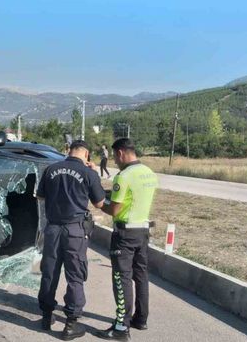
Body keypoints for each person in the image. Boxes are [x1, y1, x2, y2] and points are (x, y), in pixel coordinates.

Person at [36, 140, 105, 340]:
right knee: (75, 275)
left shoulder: (51, 169)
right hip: (75, 230)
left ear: (69, 151)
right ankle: (70, 325)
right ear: (87, 154)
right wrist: (92, 175)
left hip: (53, 229)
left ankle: (46, 317)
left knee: (49, 272)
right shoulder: (88, 173)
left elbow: (40, 197)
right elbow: (100, 203)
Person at [98, 138, 158, 341]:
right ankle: (141, 319)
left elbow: (115, 209)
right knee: (140, 275)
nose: (115, 160)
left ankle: (121, 328)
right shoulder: (148, 173)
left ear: (121, 153)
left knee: (121, 278)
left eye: (115, 156)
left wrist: (99, 204)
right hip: (142, 231)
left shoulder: (123, 176)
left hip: (124, 234)